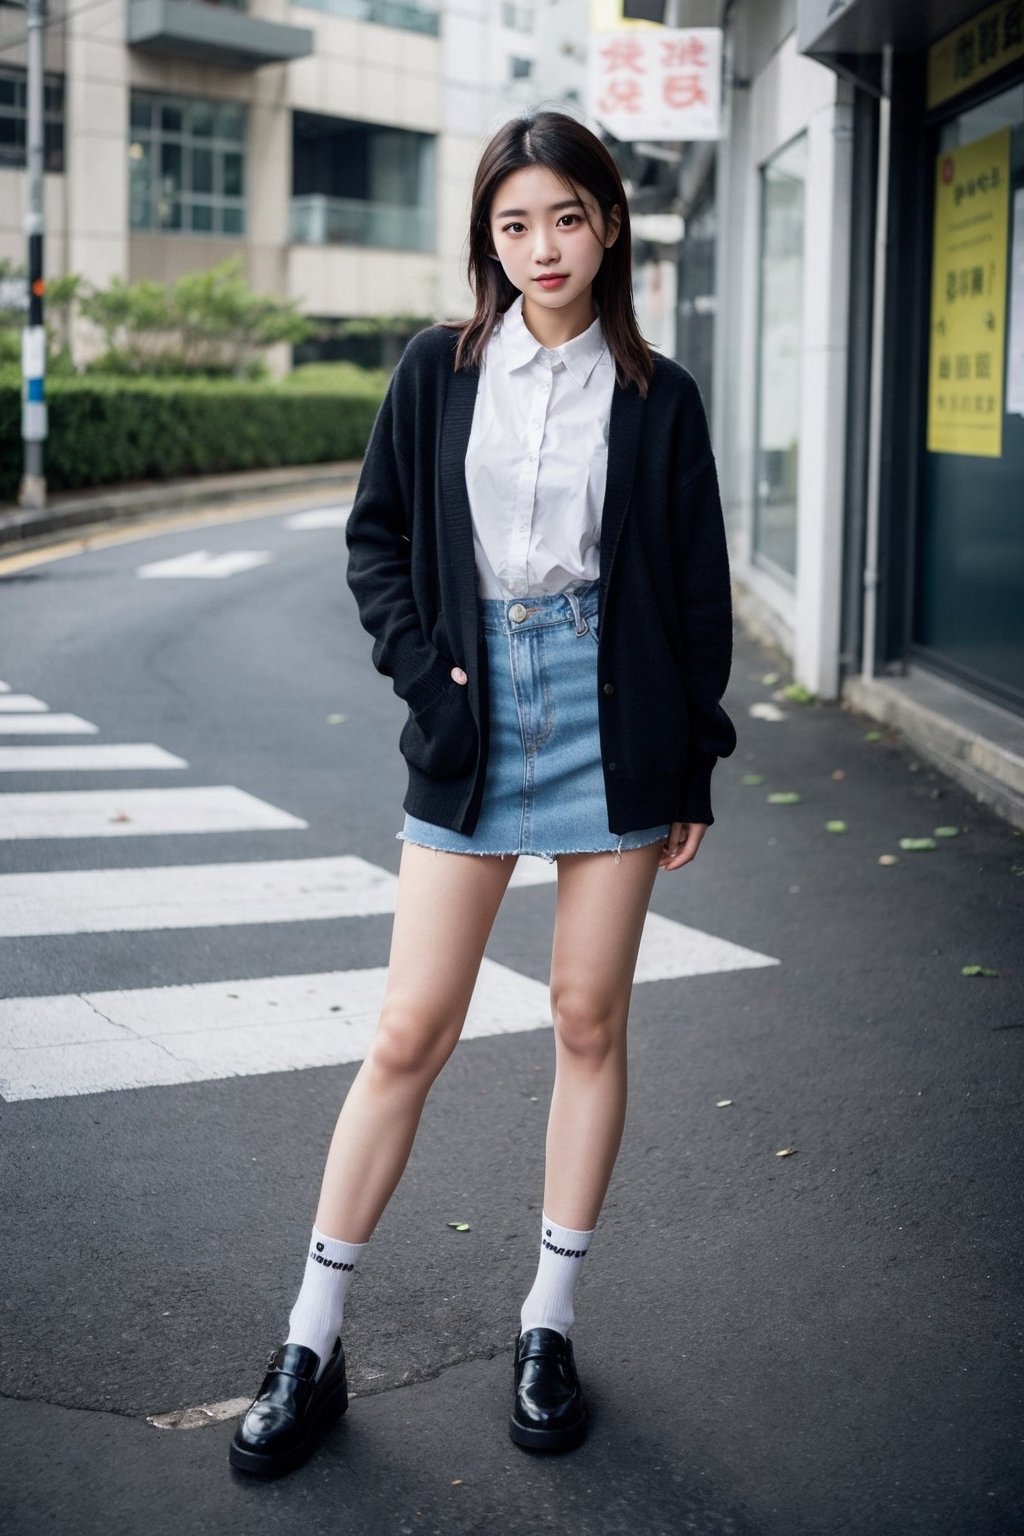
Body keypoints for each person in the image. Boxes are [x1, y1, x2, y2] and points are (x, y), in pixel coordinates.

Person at [229, 109, 736, 1478]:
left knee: (586, 1017)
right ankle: (312, 1338)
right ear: (487, 239)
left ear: (610, 224)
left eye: (567, 216)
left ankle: (548, 1322)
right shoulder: (438, 372)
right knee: (409, 1030)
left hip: (613, 715)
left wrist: (693, 755)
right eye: (515, 223)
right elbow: (376, 540)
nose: (543, 247)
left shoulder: (659, 394)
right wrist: (430, 681)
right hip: (473, 716)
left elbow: (694, 589)